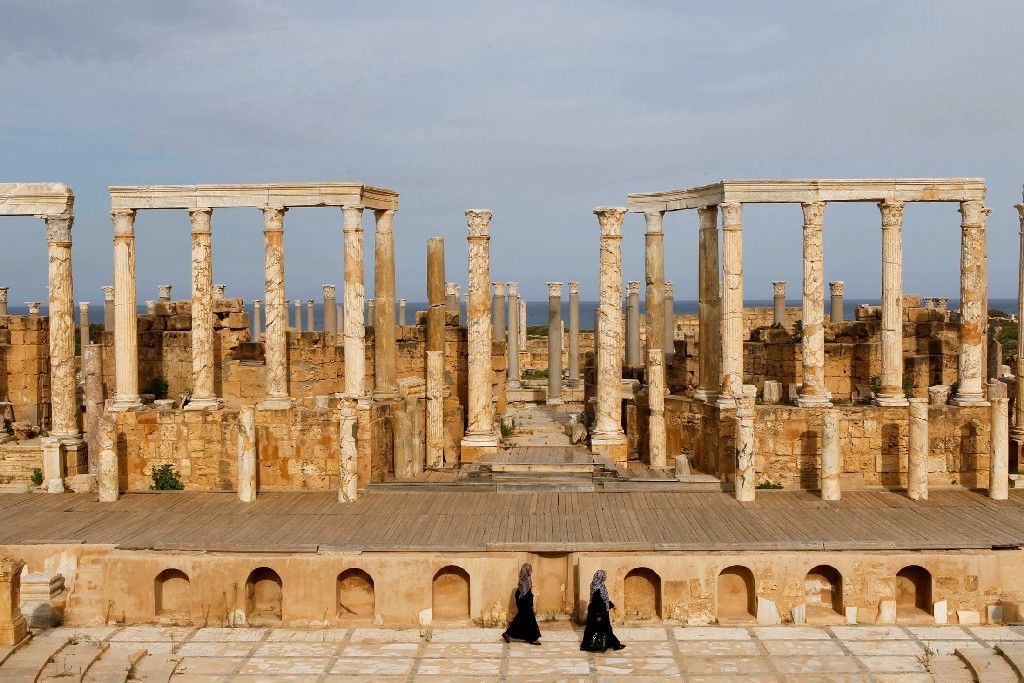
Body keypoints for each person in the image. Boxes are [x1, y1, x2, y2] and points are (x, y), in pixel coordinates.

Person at [580, 569, 624, 652]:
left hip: (597, 609)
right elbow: (597, 601)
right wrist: (598, 615)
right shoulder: (598, 587)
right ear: (600, 577)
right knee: (603, 628)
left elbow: (604, 599)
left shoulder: (596, 584)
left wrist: (611, 605)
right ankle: (615, 645)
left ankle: (586, 645)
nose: (605, 578)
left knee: (595, 628)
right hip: (599, 611)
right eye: (604, 576)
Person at [502, 563, 541, 645]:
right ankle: (531, 638)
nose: (531, 571)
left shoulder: (527, 578)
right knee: (529, 617)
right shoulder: (524, 579)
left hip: (525, 599)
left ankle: (508, 634)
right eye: (530, 569)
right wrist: (528, 600)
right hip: (523, 599)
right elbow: (523, 592)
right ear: (526, 570)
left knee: (522, 617)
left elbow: (527, 591)